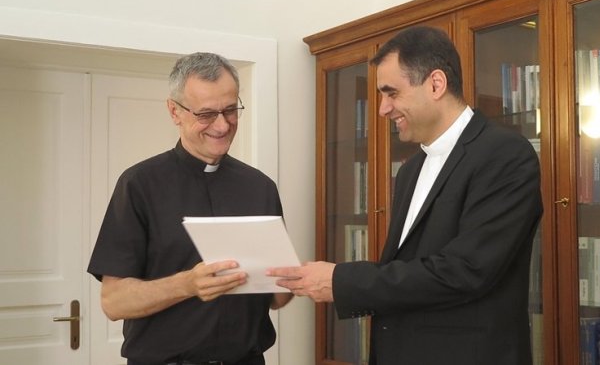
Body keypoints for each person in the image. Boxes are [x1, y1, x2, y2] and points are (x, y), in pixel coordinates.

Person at [268, 26, 543, 365]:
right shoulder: (411, 170)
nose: (383, 109)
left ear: (436, 84)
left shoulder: (504, 154)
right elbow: (405, 270)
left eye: (392, 93)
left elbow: (465, 271)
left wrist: (341, 281)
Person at [88, 52, 292, 365]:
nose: (222, 125)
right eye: (206, 114)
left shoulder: (261, 187)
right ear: (175, 111)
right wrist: (187, 284)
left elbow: (277, 298)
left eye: (230, 110)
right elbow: (114, 303)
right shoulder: (139, 184)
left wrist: (291, 279)